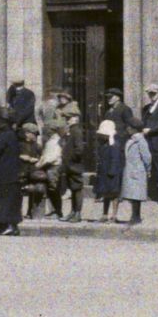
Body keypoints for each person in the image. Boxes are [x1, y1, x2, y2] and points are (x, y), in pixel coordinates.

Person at [54, 93, 89, 221]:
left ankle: (77, 213)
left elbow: (79, 150)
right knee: (72, 189)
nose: (67, 120)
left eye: (69, 118)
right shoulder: (71, 130)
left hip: (74, 165)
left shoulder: (76, 130)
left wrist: (71, 159)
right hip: (70, 165)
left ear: (75, 118)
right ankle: (72, 212)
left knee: (77, 189)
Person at [137, 85, 158, 203]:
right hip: (147, 143)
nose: (152, 96)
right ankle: (146, 193)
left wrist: (150, 130)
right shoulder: (146, 108)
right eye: (150, 94)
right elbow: (143, 122)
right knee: (146, 168)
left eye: (154, 93)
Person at [92, 118, 125, 222]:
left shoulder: (114, 144)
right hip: (105, 171)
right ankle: (105, 214)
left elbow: (115, 159)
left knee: (114, 194)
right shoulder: (104, 144)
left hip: (112, 173)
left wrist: (112, 171)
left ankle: (114, 215)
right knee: (105, 193)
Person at [120, 122, 152, 225]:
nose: (127, 129)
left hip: (137, 170)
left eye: (129, 127)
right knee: (132, 195)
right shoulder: (132, 140)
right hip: (131, 169)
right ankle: (134, 215)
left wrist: (148, 169)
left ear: (134, 129)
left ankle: (136, 216)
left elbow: (147, 157)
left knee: (136, 195)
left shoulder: (141, 141)